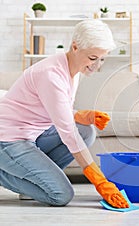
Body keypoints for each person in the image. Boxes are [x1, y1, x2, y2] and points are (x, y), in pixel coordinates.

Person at [0, 19, 129, 208]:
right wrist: (100, 181)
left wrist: (83, 116)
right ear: (75, 47)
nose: (97, 65)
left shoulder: (72, 69)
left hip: (33, 135)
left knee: (86, 131)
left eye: (102, 59)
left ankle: (35, 181)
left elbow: (59, 110)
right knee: (61, 195)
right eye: (93, 58)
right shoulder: (51, 75)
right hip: (9, 140)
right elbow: (68, 133)